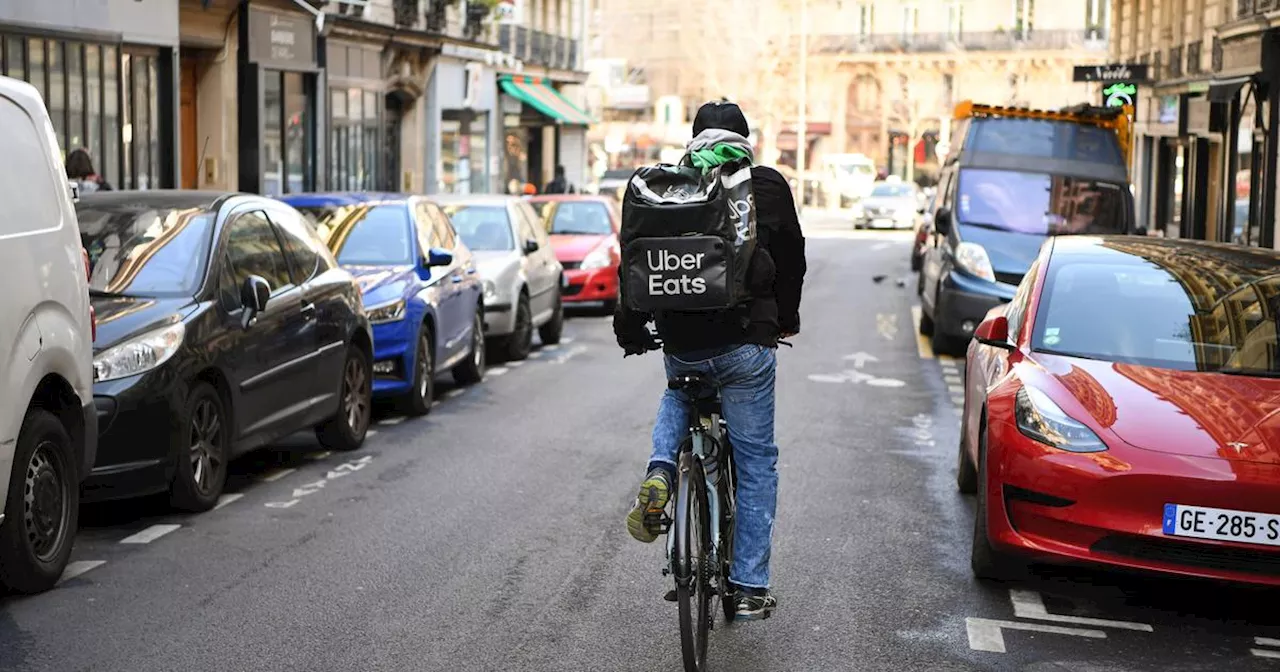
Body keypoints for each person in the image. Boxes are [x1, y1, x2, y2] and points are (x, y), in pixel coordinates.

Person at [614, 100, 806, 622]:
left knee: (679, 390)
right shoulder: (765, 185)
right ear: (748, 140)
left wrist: (633, 332)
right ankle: (747, 585)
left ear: (693, 139)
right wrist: (784, 319)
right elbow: (792, 259)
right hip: (747, 344)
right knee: (756, 460)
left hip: (682, 341)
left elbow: (632, 257)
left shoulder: (668, 186)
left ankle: (660, 471)